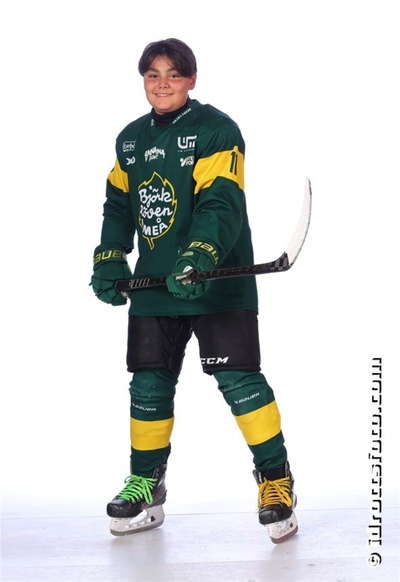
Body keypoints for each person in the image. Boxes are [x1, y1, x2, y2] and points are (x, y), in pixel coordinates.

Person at [91, 38, 298, 543]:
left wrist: (200, 254)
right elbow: (118, 204)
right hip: (155, 285)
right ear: (143, 80)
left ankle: (276, 481)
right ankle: (147, 483)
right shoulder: (130, 139)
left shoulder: (215, 129)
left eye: (173, 74)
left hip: (216, 282)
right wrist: (110, 255)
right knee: (148, 384)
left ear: (191, 79)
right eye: (153, 74)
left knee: (239, 382)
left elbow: (221, 201)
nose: (162, 83)